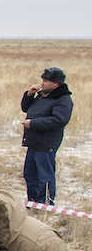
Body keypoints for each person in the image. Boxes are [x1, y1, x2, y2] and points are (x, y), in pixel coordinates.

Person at [20, 67, 72, 204]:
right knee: (29, 174)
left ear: (56, 84)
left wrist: (33, 124)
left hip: (47, 143)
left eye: (46, 81)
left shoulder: (63, 99)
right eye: (43, 79)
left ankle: (46, 204)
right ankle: (33, 201)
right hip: (33, 141)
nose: (42, 83)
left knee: (45, 176)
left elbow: (59, 120)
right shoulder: (42, 95)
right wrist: (29, 94)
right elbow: (26, 108)